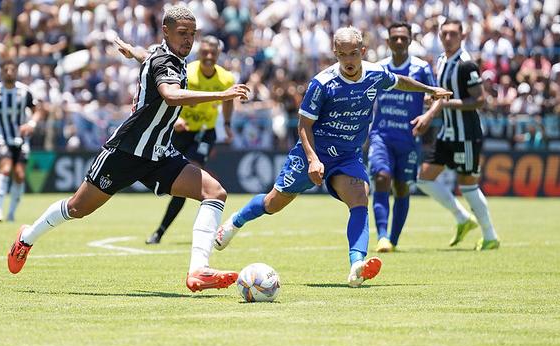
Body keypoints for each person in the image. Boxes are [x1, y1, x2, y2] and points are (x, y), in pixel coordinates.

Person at [6, 5, 250, 292]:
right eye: (182, 33)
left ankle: (199, 270)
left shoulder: (167, 57)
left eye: (192, 34)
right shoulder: (165, 62)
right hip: (125, 151)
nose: (188, 40)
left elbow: (150, 57)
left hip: (159, 153)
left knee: (215, 193)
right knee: (77, 208)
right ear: (166, 31)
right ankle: (27, 238)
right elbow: (170, 95)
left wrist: (134, 52)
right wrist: (221, 95)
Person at [213, 27, 451, 287]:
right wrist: (314, 159)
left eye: (353, 54)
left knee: (360, 195)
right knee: (274, 203)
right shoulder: (322, 83)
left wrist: (430, 89)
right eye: (343, 55)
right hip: (315, 152)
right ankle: (235, 222)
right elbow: (303, 126)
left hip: (348, 155)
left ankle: (356, 265)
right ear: (335, 53)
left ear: (362, 51)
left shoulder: (375, 73)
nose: (349, 61)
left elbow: (398, 81)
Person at [114, 35, 236, 245]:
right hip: (180, 130)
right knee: (177, 177)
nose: (208, 56)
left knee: (194, 173)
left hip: (204, 133)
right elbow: (169, 92)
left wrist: (226, 123)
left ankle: (160, 231)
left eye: (212, 53)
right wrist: (177, 118)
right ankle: (164, 214)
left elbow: (228, 102)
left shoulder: (226, 78)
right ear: (200, 52)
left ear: (218, 55)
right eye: (205, 52)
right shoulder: (188, 71)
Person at [415, 19, 500, 250]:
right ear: (440, 36)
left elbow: (480, 100)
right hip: (447, 133)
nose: (449, 37)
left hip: (466, 135)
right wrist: (431, 101)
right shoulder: (442, 61)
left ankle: (490, 236)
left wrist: (445, 105)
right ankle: (463, 218)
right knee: (423, 178)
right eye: (445, 34)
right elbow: (441, 97)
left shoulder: (466, 64)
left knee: (468, 185)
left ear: (462, 36)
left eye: (454, 33)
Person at [368, 22, 437, 252]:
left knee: (401, 187)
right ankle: (383, 237)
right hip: (382, 136)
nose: (399, 42)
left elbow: (436, 96)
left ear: (410, 40)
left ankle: (393, 241)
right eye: (394, 38)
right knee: (381, 178)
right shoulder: (378, 68)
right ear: (388, 42)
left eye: (403, 38)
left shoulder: (421, 68)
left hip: (408, 139)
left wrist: (427, 116)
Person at [0, 59, 45, 222]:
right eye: (6, 70)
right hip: (2, 138)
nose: (9, 72)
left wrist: (31, 123)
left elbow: (38, 110)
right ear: (1, 72)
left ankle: (11, 213)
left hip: (21, 141)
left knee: (20, 175)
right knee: (6, 170)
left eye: (12, 70)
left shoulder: (25, 91)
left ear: (16, 72)